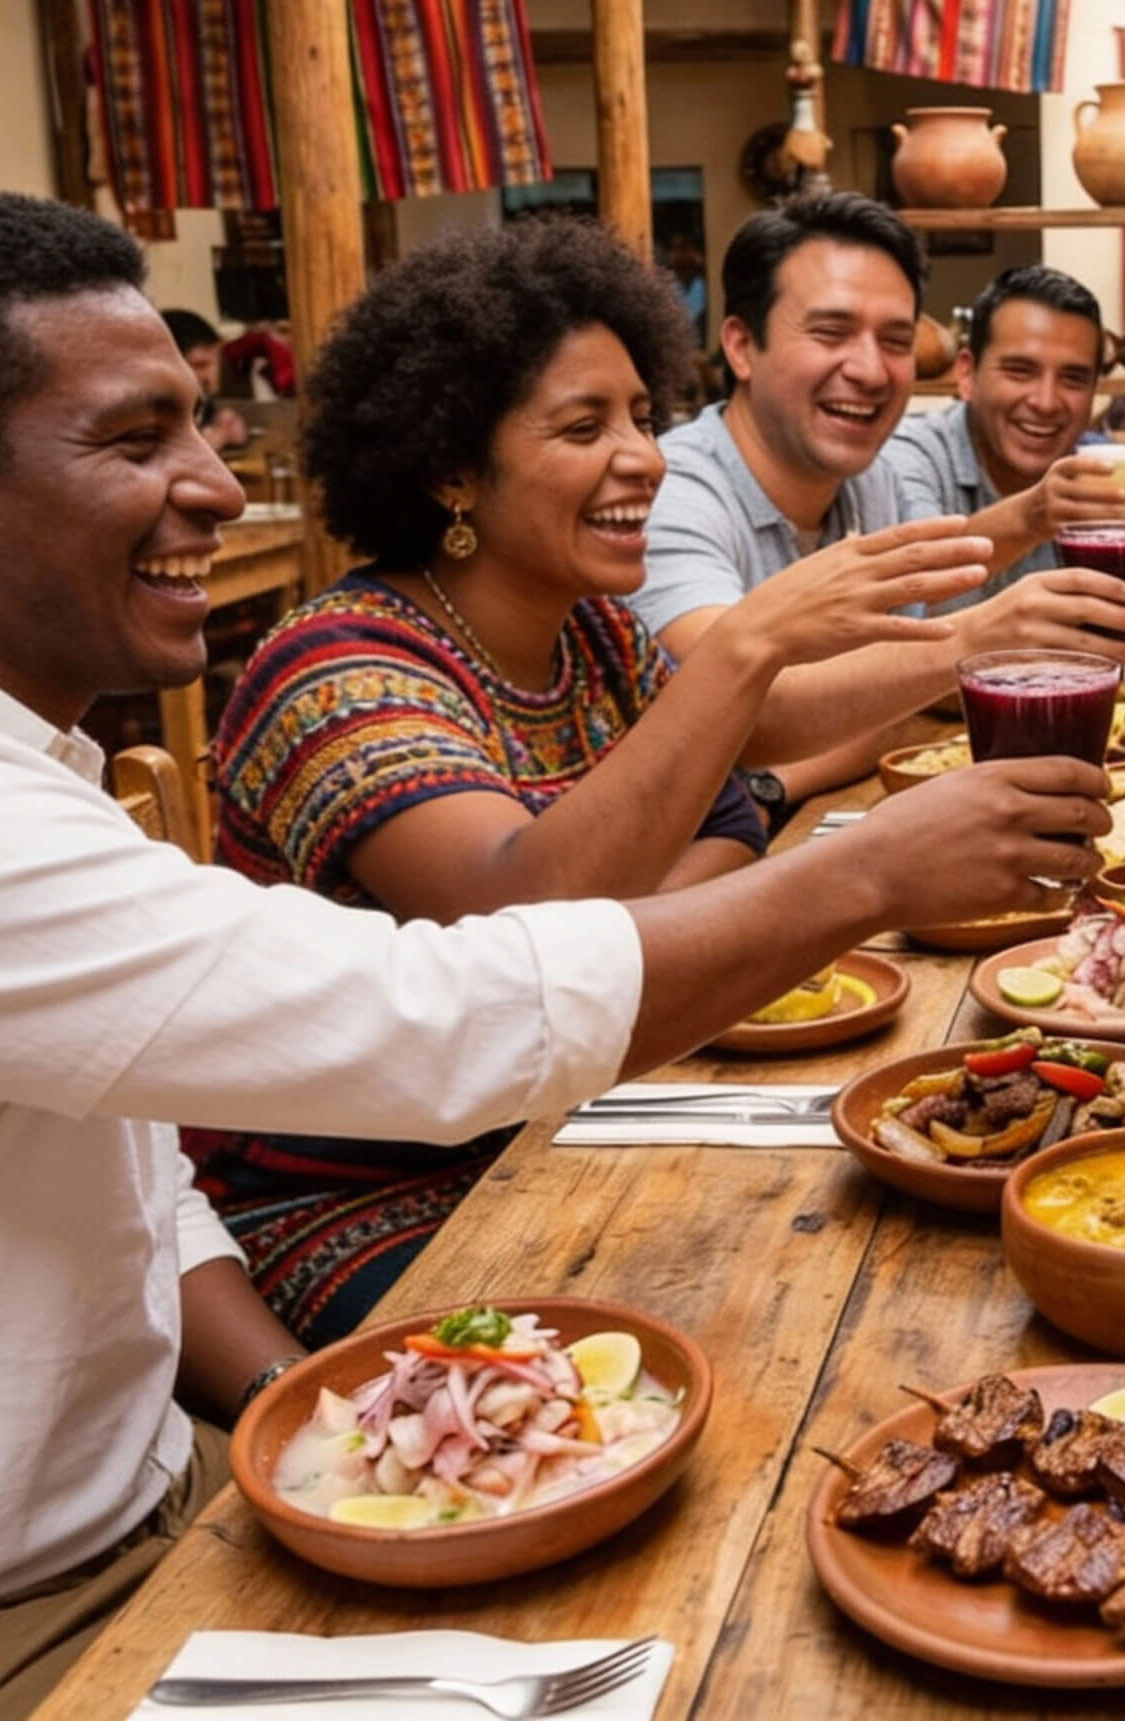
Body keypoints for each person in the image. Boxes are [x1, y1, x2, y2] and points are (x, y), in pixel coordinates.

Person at [0, 188, 1105, 1721]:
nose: (217, 489)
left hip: (168, 1485)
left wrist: (275, 1418)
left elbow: (130, 1164)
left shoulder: (6, 754)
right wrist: (858, 857)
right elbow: (455, 996)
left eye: (647, 414)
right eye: (135, 439)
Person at [192, 219, 978, 1345]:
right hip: (366, 1197)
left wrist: (629, 883)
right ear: (452, 466)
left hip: (579, 1102)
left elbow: (726, 809)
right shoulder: (338, 668)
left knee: (874, 1260)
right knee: (771, 1332)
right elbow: (519, 926)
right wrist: (751, 645)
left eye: (643, 417)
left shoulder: (594, 635)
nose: (645, 457)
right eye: (583, 425)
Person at [632, 192, 1125, 806]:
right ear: (741, 347)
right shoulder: (671, 494)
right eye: (830, 332)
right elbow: (732, 707)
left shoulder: (870, 482)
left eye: (896, 340)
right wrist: (974, 638)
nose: (871, 371)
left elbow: (885, 703)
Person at [880, 264, 1125, 614]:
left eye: (1073, 379)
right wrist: (1030, 516)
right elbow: (909, 584)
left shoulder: (1106, 470)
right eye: (1019, 371)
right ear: (966, 374)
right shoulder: (908, 455)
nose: (1045, 402)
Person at [158, 307, 249, 453]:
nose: (210, 376)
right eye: (200, 365)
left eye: (215, 362)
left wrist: (228, 428)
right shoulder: (154, 415)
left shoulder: (200, 403)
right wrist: (218, 438)